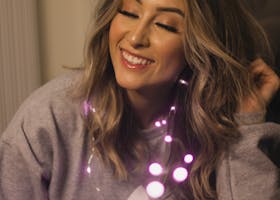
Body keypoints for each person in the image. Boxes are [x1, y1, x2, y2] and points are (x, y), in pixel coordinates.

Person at [0, 0, 280, 199]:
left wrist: (247, 123)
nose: (135, 37)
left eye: (165, 25)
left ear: (200, 47)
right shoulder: (47, 121)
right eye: (130, 12)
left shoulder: (218, 127)